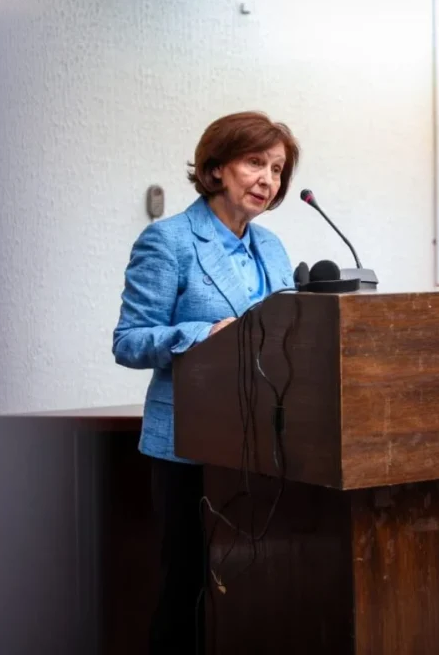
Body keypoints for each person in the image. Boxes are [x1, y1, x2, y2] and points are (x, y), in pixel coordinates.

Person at [112, 111, 300, 654]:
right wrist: (205, 332)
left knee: (257, 586)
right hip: (188, 447)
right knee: (187, 590)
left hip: (265, 449)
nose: (268, 179)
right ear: (216, 169)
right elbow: (128, 341)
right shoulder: (168, 240)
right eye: (255, 162)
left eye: (277, 169)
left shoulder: (272, 248)